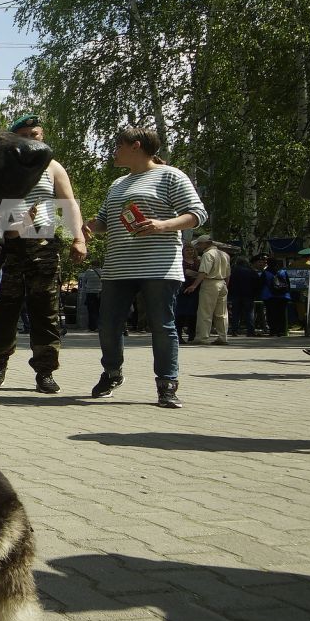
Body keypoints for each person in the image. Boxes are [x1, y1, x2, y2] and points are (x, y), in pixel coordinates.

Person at [91, 127, 207, 409]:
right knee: (108, 326)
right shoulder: (117, 184)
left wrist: (162, 225)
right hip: (118, 266)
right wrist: (82, 227)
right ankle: (112, 372)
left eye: (118, 145)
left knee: (162, 326)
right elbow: (103, 223)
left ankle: (167, 385)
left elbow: (197, 214)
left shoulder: (171, 176)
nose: (114, 151)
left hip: (159, 266)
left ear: (136, 146)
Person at [0, 113, 87, 393]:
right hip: (10, 246)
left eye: (36, 135)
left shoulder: (52, 167)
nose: (32, 139)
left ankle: (45, 371)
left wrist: (78, 238)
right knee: (5, 309)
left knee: (45, 310)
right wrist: (10, 225)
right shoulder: (4, 168)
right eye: (25, 135)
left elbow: (70, 204)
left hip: (43, 243)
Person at [194, 236, 230, 344]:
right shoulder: (225, 254)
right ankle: (223, 337)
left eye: (200, 244)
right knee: (222, 313)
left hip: (210, 283)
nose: (198, 246)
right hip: (222, 283)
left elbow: (204, 272)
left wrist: (194, 285)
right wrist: (226, 285)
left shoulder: (208, 254)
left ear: (207, 243)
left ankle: (202, 337)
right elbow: (228, 273)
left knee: (205, 312)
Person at [258, 253, 293, 337]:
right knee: (281, 314)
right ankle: (281, 331)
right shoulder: (283, 271)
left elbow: (260, 285)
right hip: (283, 296)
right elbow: (288, 283)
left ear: (268, 263)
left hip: (270, 297)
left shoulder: (265, 273)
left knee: (271, 314)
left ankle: (273, 330)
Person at [227, 252, 258, 336]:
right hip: (248, 295)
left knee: (235, 313)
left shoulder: (232, 271)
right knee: (249, 313)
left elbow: (228, 282)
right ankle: (250, 331)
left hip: (235, 294)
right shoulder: (251, 271)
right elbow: (256, 283)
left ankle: (234, 330)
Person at [175, 244, 201, 344]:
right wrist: (197, 274)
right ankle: (178, 335)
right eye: (187, 250)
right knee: (180, 313)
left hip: (195, 290)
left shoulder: (198, 262)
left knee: (193, 314)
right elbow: (186, 272)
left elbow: (196, 273)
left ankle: (192, 335)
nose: (190, 252)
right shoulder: (180, 262)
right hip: (182, 290)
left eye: (192, 250)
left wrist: (194, 274)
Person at [78, 263, 102, 331]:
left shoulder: (88, 271)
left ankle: (92, 327)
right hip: (100, 293)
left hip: (90, 293)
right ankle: (99, 327)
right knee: (99, 311)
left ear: (93, 265)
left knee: (91, 311)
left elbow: (84, 281)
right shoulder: (103, 271)